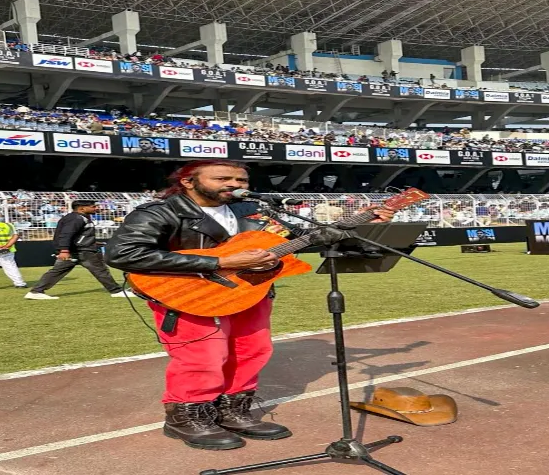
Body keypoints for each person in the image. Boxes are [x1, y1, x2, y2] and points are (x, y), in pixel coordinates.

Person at [104, 160, 394, 450]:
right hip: (189, 295)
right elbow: (124, 253)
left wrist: (359, 223)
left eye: (241, 180)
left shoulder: (250, 211)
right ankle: (185, 417)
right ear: (188, 182)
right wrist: (220, 262)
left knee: (252, 351)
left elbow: (296, 241)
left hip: (248, 292)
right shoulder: (160, 212)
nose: (235, 184)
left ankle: (233, 410)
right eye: (222, 178)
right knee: (202, 357)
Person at [25, 200, 132, 300]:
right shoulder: (76, 218)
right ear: (82, 209)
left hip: (78, 250)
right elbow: (66, 235)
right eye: (93, 206)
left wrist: (92, 242)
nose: (96, 208)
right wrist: (64, 250)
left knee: (57, 272)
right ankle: (116, 291)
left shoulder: (79, 217)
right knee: (101, 270)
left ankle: (36, 292)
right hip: (82, 251)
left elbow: (78, 235)